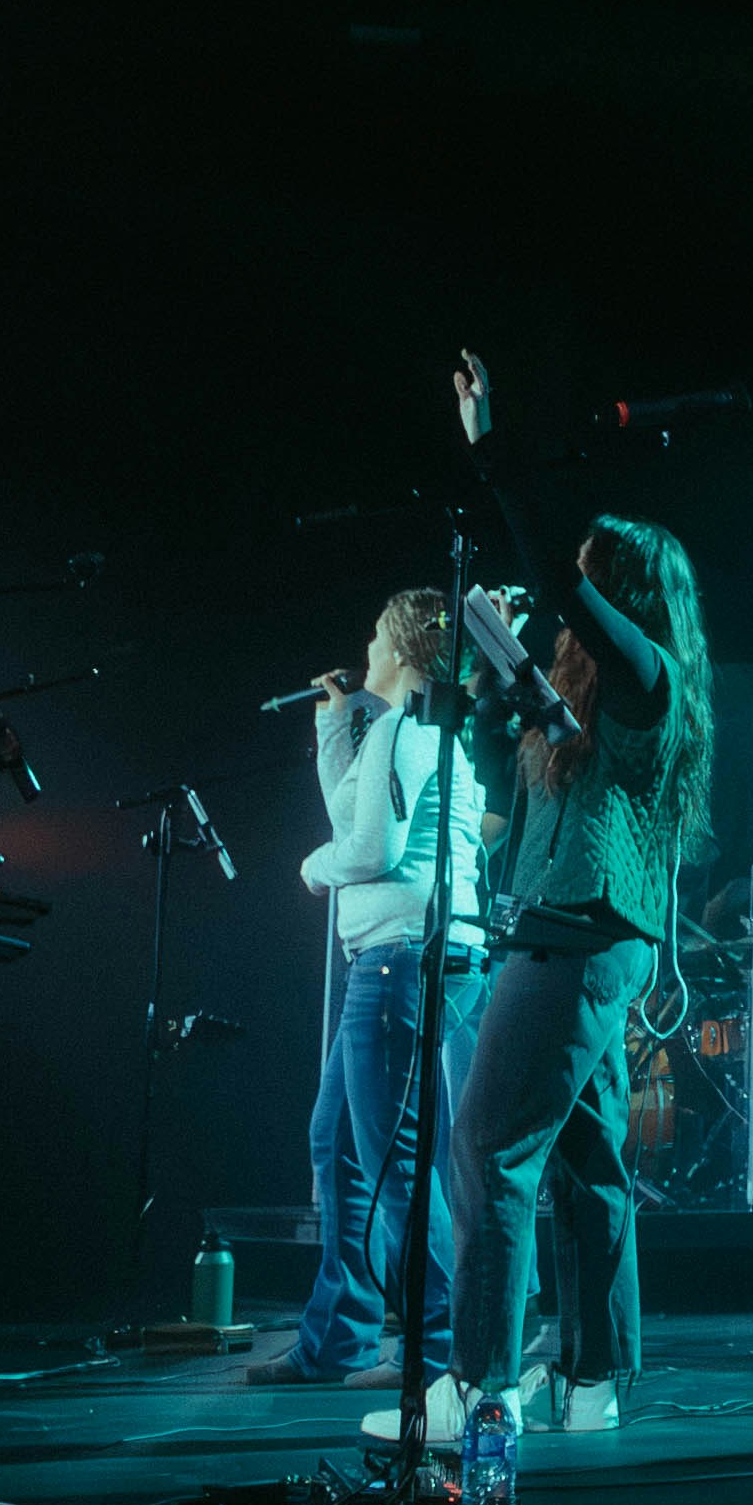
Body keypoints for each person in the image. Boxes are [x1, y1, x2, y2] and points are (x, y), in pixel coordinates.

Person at [369, 350, 709, 1452]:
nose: (573, 600)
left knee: (487, 1148)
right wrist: (495, 677)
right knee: (586, 1164)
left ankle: (479, 1388)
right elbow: (507, 768)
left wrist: (491, 454)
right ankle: (591, 1380)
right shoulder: (592, 703)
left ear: (623, 591)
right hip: (573, 931)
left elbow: (567, 590)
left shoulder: (647, 677)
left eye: (591, 581)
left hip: (579, 937)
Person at [249, 590, 485, 1390]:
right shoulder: (409, 731)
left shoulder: (403, 730)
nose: (367, 651)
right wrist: (333, 725)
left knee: (393, 1164)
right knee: (343, 1145)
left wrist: (311, 868)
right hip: (403, 960)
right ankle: (338, 1340)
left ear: (406, 649)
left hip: (397, 961)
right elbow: (354, 812)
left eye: (378, 638)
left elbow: (368, 851)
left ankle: (435, 1348)